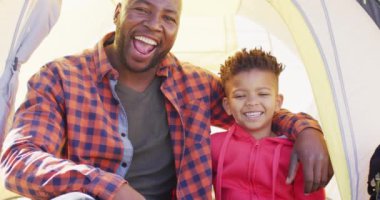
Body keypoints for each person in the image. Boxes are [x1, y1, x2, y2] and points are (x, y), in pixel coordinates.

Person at [0, 0, 332, 199]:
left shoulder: (194, 84)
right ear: (118, 12)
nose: (154, 25)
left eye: (169, 18)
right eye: (142, 9)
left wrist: (306, 130)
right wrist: (108, 188)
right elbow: (18, 159)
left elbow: (251, 110)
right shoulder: (60, 78)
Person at [211, 48, 325, 200]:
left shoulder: (296, 152)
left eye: (263, 94)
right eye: (240, 96)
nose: (252, 102)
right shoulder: (213, 146)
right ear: (227, 105)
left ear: (278, 102)